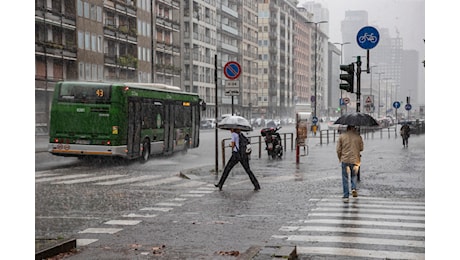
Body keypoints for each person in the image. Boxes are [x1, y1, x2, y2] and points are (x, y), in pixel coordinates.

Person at [336, 125, 363, 202]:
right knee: (354, 176)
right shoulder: (358, 137)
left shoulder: (342, 136)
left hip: (345, 160)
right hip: (355, 160)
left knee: (345, 177)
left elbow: (338, 149)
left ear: (347, 129)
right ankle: (353, 188)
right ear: (354, 128)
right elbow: (361, 148)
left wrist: (339, 158)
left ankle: (346, 194)